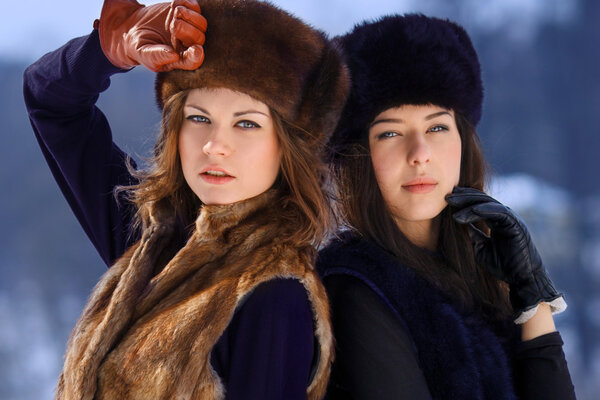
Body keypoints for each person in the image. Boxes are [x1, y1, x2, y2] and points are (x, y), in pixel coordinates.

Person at [23, 0, 349, 399]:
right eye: (198, 117)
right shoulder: (152, 238)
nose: (214, 145)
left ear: (289, 147)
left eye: (246, 123)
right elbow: (49, 100)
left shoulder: (274, 297)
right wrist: (107, 51)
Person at [317, 14, 576, 399]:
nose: (419, 154)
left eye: (437, 127)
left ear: (463, 140)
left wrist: (532, 295)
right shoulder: (355, 289)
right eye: (390, 132)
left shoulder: (480, 274)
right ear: (357, 155)